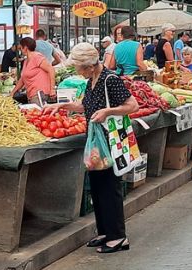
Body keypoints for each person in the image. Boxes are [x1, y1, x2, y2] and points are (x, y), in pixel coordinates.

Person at [42, 43, 137, 254]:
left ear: (90, 66)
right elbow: (85, 106)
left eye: (79, 67)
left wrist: (108, 111)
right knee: (97, 187)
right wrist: (62, 106)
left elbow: (132, 106)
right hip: (95, 143)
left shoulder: (111, 80)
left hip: (110, 142)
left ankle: (119, 236)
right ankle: (104, 231)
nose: (77, 71)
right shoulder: (91, 80)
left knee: (110, 188)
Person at [10, 38, 55, 104]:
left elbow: (51, 70)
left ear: (25, 48)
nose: (21, 51)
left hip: (40, 94)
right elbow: (22, 79)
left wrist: (52, 89)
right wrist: (13, 92)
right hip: (31, 95)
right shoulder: (26, 61)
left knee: (38, 113)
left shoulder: (37, 57)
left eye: (21, 48)